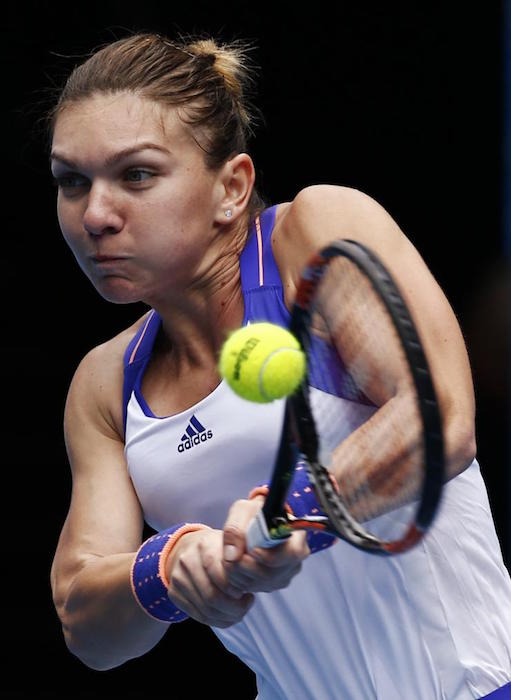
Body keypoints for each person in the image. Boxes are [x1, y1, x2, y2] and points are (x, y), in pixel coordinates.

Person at [49, 32, 511, 699]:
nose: (95, 214)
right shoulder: (103, 383)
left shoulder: (314, 234)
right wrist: (168, 569)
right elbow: (85, 626)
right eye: (72, 182)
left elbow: (439, 420)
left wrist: (288, 516)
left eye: (137, 175)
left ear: (231, 187)